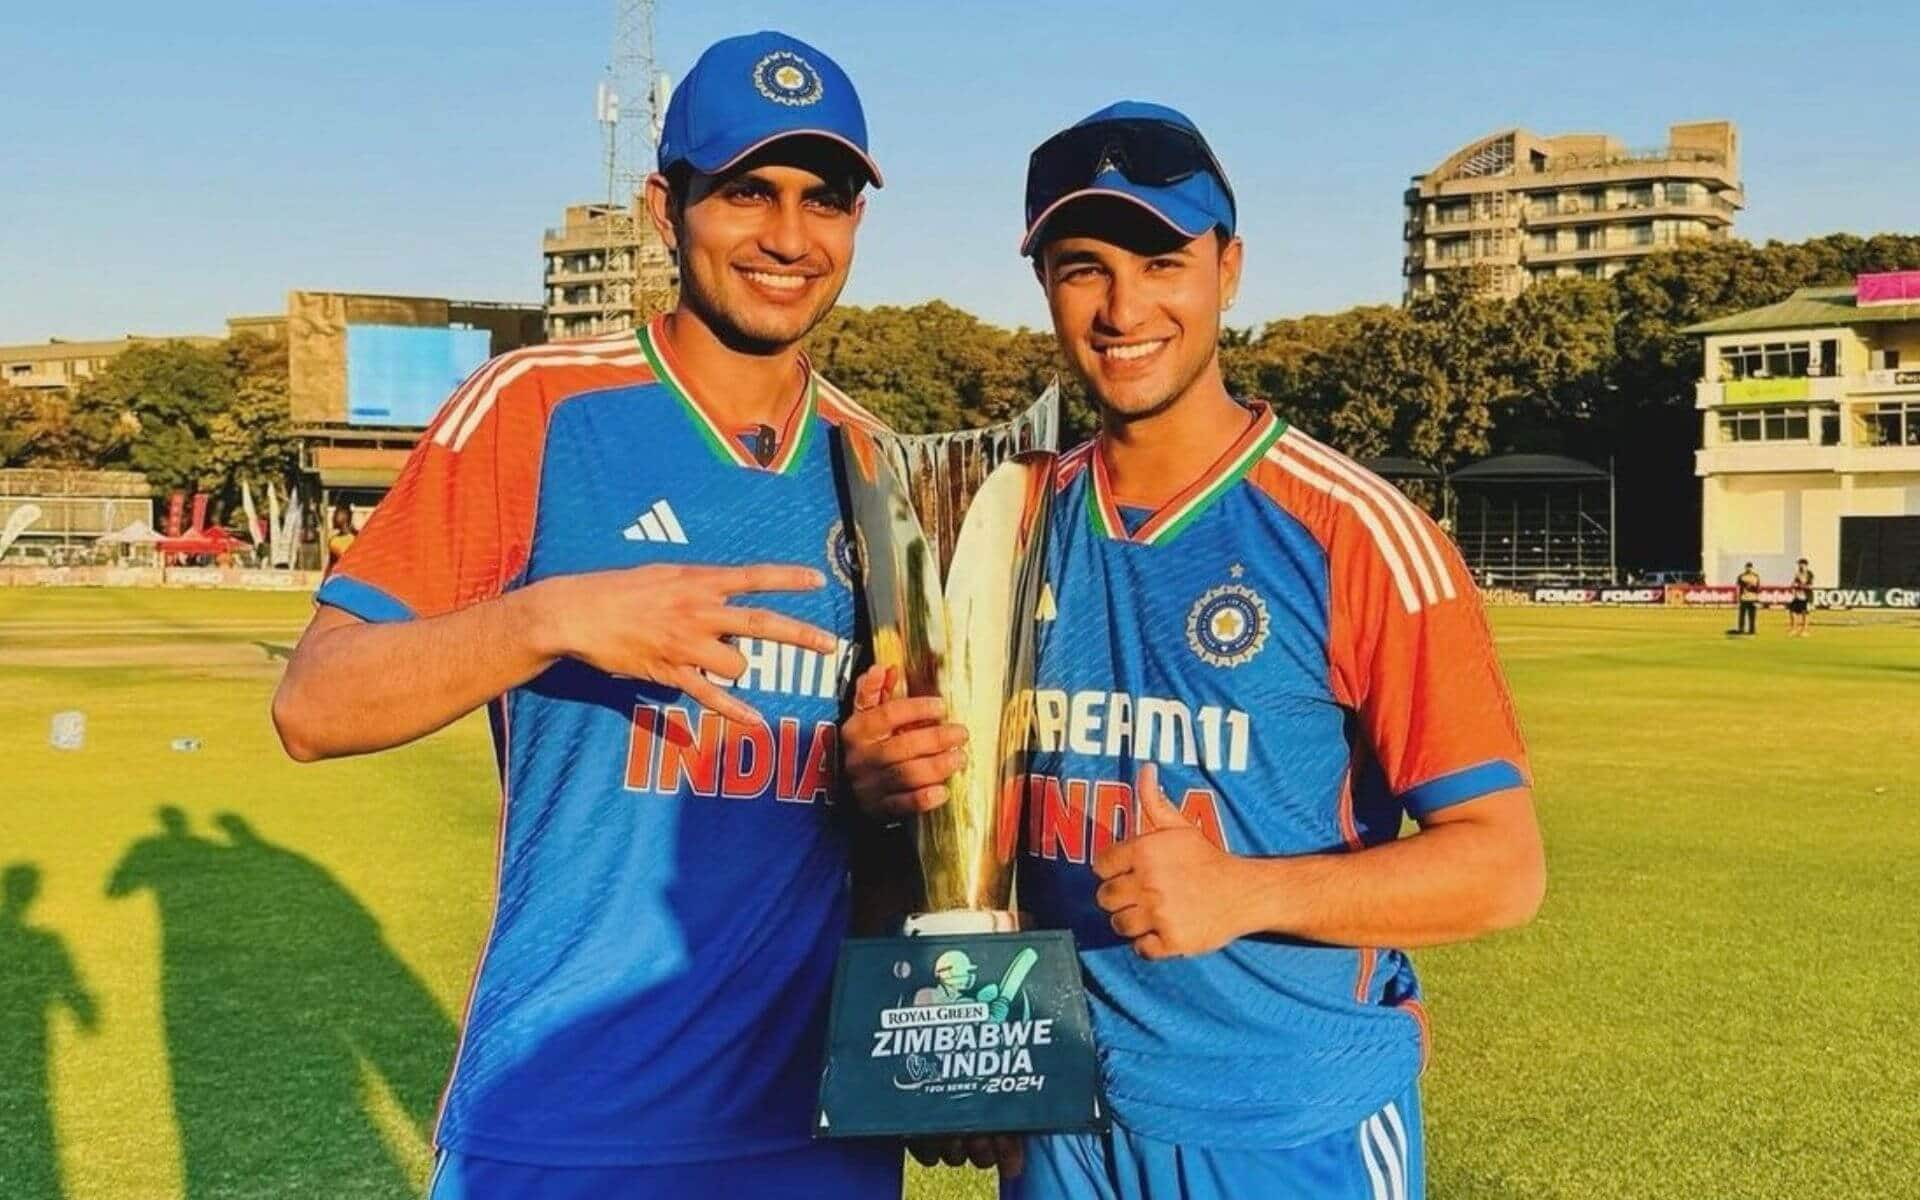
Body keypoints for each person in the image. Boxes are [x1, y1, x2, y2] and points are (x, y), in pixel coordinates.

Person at [843, 102, 1545, 1200]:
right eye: (1085, 268)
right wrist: (966, 1048)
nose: (1125, 308)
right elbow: (959, 836)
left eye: (1163, 258)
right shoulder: (1008, 523)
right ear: (1045, 286)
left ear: (1229, 267)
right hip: (1063, 1130)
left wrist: (1244, 893)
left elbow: (1503, 868)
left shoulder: (1353, 532)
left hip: (1287, 1129)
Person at [272, 30, 903, 1199]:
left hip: (815, 1133)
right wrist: (548, 619)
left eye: (827, 198)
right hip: (563, 1120)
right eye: (746, 192)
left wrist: (885, 779)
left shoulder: (874, 462)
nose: (789, 236)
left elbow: (886, 830)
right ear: (667, 208)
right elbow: (315, 705)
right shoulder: (538, 405)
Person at [325, 504, 356, 575]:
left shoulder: (355, 538)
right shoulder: (333, 540)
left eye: (336, 514)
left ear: (345, 516)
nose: (332, 517)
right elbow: (331, 564)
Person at [1788, 558, 1813, 636]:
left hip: (1806, 596)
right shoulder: (1797, 573)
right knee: (1792, 611)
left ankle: (1804, 631)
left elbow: (1810, 585)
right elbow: (1793, 583)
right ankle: (1794, 629)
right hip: (1797, 596)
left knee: (1805, 613)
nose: (1799, 566)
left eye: (1800, 564)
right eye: (1799, 564)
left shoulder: (1809, 574)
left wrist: (1800, 585)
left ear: (1805, 565)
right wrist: (1793, 586)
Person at [1736, 561, 1762, 635]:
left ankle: (1752, 630)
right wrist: (1738, 597)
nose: (1749, 568)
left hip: (1752, 598)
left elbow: (1758, 588)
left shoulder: (1756, 576)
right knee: (1742, 615)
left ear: (1752, 568)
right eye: (1748, 567)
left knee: (1752, 616)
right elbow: (1738, 587)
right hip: (1744, 598)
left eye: (1750, 567)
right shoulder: (1741, 576)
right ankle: (1741, 629)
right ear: (1745, 567)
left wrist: (1757, 599)